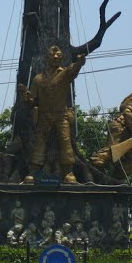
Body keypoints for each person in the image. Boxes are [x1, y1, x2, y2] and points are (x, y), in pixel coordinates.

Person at [20, 45, 85, 183]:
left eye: (59, 55)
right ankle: (34, 170)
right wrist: (26, 97)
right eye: (52, 55)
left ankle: (68, 171)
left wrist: (79, 62)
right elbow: (32, 100)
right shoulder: (38, 79)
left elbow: (73, 70)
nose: (56, 57)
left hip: (61, 115)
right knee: (39, 142)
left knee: (65, 141)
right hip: (44, 115)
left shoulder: (65, 74)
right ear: (46, 58)